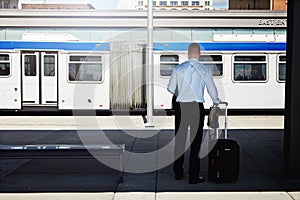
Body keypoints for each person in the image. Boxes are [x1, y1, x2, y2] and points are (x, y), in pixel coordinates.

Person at [167, 43, 221, 184]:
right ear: (199, 54)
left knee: (179, 141)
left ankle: (178, 173)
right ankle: (193, 176)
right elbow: (212, 89)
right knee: (195, 143)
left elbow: (170, 89)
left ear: (188, 53)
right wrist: (217, 101)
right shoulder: (204, 70)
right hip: (197, 108)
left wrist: (182, 89)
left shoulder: (178, 69)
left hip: (181, 107)